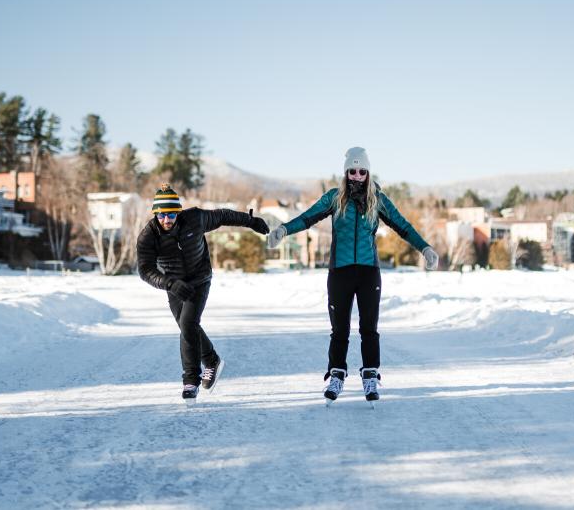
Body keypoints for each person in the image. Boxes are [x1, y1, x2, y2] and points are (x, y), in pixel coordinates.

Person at [268, 147, 439, 404]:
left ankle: (370, 375)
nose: (357, 175)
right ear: (346, 172)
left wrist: (425, 248)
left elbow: (403, 226)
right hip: (340, 272)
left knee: (369, 328)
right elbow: (306, 219)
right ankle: (337, 374)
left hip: (369, 272)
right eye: (352, 170)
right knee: (340, 329)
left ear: (368, 173)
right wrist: (283, 229)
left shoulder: (378, 200)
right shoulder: (335, 198)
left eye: (362, 171)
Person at [136, 183, 269, 404]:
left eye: (171, 214)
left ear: (178, 212)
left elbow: (223, 216)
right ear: (155, 214)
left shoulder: (195, 218)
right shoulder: (148, 236)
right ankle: (212, 360)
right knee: (187, 325)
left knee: (188, 324)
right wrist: (169, 283)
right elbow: (145, 270)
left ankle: (190, 381)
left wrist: (250, 221)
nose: (167, 220)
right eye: (161, 215)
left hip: (199, 279)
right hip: (174, 284)